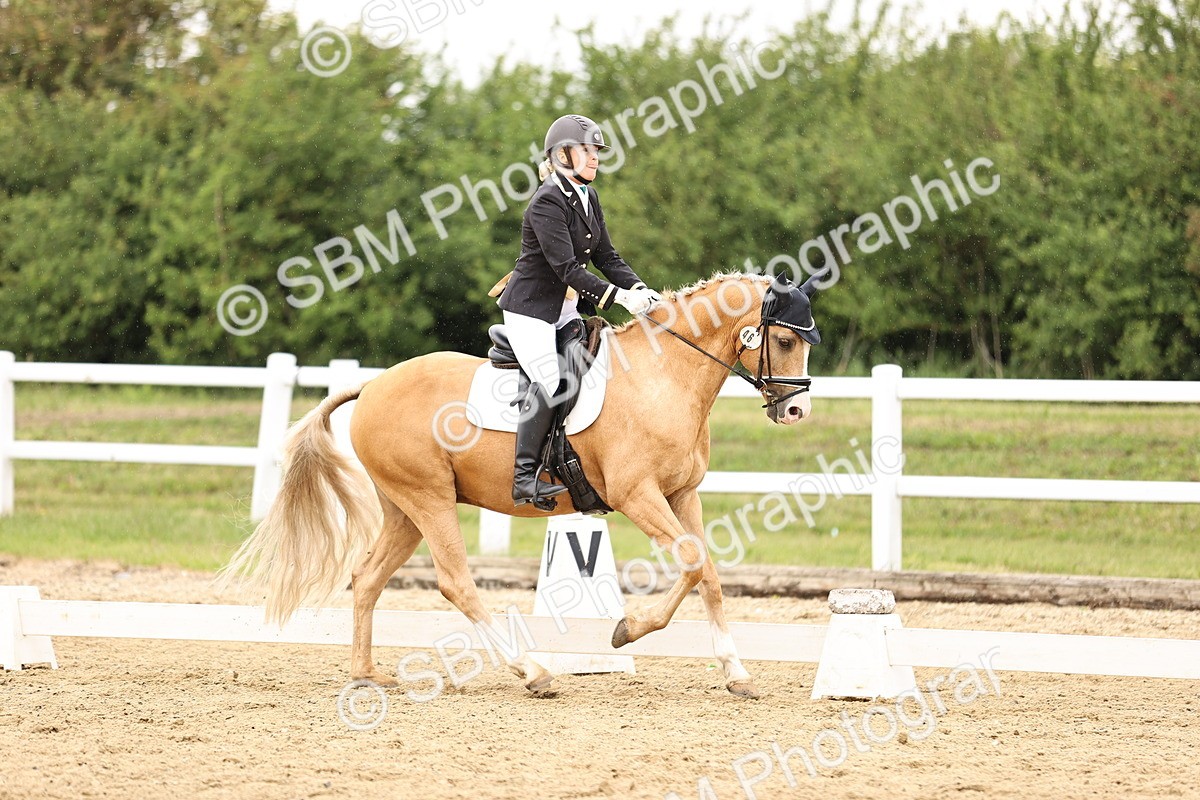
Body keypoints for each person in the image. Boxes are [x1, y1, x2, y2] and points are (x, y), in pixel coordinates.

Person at [495, 113, 660, 509]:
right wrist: (619, 298)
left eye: (596, 151)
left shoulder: (588, 196)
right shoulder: (546, 201)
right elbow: (567, 269)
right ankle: (524, 477)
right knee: (552, 380)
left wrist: (640, 288)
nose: (595, 157)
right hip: (531, 312)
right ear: (562, 155)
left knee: (595, 365)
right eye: (586, 150)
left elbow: (606, 256)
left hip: (564, 310)